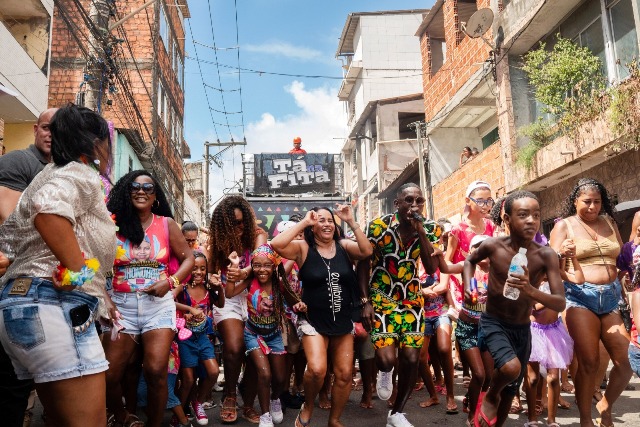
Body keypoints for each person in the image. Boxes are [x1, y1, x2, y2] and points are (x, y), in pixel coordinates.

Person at [0, 104, 116, 426]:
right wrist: (80, 273)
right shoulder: (78, 172)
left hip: (24, 303)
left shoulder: (49, 172)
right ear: (94, 143)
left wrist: (96, 289)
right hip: (53, 305)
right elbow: (48, 210)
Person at [464, 190, 565, 427]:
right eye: (523, 215)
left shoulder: (545, 255)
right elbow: (469, 261)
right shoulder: (493, 246)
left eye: (536, 215)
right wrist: (470, 287)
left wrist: (530, 290)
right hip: (494, 321)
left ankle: (493, 418)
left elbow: (559, 301)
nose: (531, 220)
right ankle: (490, 395)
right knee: (510, 369)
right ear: (507, 219)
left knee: (511, 390)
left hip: (522, 327)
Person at [104, 170, 195, 427]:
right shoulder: (113, 224)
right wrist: (107, 301)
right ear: (126, 191)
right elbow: (94, 265)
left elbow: (189, 259)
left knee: (155, 371)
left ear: (155, 196)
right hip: (121, 307)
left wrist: (170, 282)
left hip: (158, 307)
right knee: (109, 375)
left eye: (148, 187)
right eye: (135, 186)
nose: (141, 191)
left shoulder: (166, 224)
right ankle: (122, 416)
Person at [271, 204, 372, 427]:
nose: (326, 224)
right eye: (320, 220)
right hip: (313, 320)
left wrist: (351, 221)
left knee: (345, 373)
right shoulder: (303, 248)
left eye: (330, 220)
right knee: (317, 369)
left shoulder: (344, 246)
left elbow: (366, 251)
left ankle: (334, 419)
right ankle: (308, 406)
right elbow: (276, 244)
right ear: (313, 226)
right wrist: (304, 222)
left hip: (342, 320)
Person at [550, 178, 632, 427]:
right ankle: (585, 419)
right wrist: (562, 254)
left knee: (626, 361)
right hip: (579, 296)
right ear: (575, 201)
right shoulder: (564, 226)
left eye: (597, 202)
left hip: (610, 297)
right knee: (589, 361)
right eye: (587, 202)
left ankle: (605, 406)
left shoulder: (608, 221)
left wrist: (623, 283)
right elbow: (551, 266)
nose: (592, 207)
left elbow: (620, 259)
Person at [358, 183, 437, 427]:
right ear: (397, 204)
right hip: (382, 299)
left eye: (419, 201)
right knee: (386, 359)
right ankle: (385, 372)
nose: (415, 206)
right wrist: (365, 301)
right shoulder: (378, 227)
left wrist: (421, 231)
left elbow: (431, 268)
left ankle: (397, 413)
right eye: (409, 200)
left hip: (412, 301)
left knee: (413, 359)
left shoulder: (431, 228)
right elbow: (363, 264)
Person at [226, 244, 306, 427]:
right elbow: (229, 293)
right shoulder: (250, 281)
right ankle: (265, 416)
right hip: (252, 334)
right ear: (252, 266)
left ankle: (275, 398)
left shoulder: (279, 283)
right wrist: (233, 267)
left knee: (279, 379)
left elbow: (294, 300)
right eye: (257, 265)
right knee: (264, 374)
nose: (261, 270)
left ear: (274, 266)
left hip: (275, 335)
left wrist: (299, 305)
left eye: (266, 265)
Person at [208, 195, 267, 423]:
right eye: (233, 223)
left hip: (255, 296)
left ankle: (248, 402)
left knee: (256, 354)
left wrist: (244, 272)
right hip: (228, 299)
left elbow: (260, 260)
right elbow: (213, 278)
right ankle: (230, 396)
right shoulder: (217, 243)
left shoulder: (258, 235)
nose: (239, 227)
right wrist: (215, 282)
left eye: (242, 222)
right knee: (233, 347)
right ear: (224, 225)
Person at [176, 251, 224, 426]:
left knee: (213, 372)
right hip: (185, 339)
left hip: (204, 337)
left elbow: (220, 304)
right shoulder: (182, 287)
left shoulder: (208, 289)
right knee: (188, 380)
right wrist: (189, 309)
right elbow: (169, 299)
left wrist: (219, 287)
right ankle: (179, 414)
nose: (198, 272)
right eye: (194, 268)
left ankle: (198, 402)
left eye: (202, 268)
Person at [0, 108, 57, 223]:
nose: (51, 134)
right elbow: (11, 222)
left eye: (58, 130)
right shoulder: (17, 160)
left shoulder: (63, 168)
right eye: (46, 128)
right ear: (36, 130)